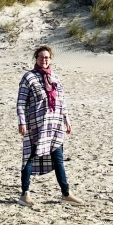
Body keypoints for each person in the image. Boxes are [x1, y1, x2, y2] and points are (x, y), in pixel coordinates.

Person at [16, 45, 84, 207]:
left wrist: (66, 120)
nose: (44, 60)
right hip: (36, 126)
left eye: (47, 58)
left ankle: (66, 193)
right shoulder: (28, 78)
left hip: (55, 126)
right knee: (29, 158)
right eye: (41, 57)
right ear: (36, 59)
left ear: (50, 59)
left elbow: (61, 101)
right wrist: (22, 121)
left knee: (59, 159)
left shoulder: (55, 77)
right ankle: (24, 194)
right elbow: (20, 102)